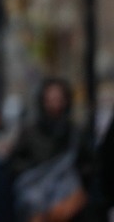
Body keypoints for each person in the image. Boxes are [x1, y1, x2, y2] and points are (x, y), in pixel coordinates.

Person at [8, 77, 94, 222]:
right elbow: (16, 167)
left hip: (70, 209)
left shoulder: (75, 134)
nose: (55, 105)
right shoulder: (29, 133)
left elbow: (89, 168)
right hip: (37, 209)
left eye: (59, 99)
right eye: (50, 100)